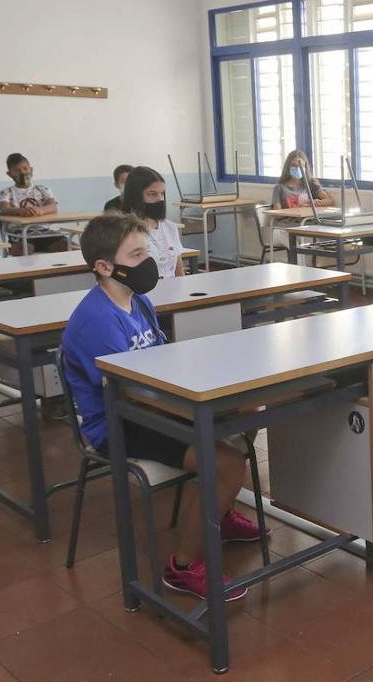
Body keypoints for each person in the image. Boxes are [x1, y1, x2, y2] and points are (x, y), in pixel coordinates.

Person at [61, 214, 263, 600]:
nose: (148, 262)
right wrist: (193, 405)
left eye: (147, 251)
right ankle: (182, 567)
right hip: (120, 424)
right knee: (228, 464)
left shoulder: (138, 302)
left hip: (149, 406)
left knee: (249, 411)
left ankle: (218, 514)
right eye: (137, 254)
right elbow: (131, 393)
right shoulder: (96, 321)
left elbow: (158, 367)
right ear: (105, 267)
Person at [0, 153, 68, 253]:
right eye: (16, 171)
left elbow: (53, 207)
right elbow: (4, 209)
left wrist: (41, 210)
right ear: (10, 174)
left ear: (31, 169)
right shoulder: (6, 193)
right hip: (19, 234)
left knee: (68, 246)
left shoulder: (42, 189)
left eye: (25, 168)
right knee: (24, 250)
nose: (22, 173)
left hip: (44, 232)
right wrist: (20, 211)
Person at [121, 165, 184, 278]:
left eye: (162, 194)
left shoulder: (170, 227)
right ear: (136, 196)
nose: (160, 199)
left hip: (172, 292)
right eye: (152, 194)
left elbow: (179, 272)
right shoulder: (124, 231)